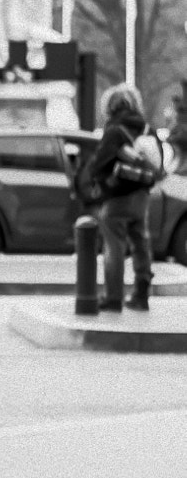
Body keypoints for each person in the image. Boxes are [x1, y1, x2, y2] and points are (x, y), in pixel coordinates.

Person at [87, 83, 161, 311]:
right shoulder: (148, 129)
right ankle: (141, 294)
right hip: (141, 196)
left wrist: (101, 183)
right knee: (141, 244)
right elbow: (157, 163)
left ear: (111, 106)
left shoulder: (114, 131)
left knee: (114, 248)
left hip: (117, 198)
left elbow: (98, 165)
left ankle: (113, 298)